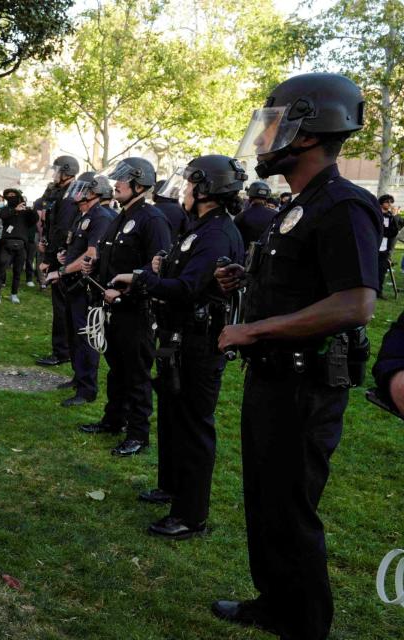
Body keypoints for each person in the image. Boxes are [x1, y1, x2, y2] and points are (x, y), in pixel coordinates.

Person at [213, 72, 380, 639]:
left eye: (275, 127)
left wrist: (256, 330)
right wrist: (246, 278)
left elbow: (356, 304)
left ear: (308, 133)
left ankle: (305, 624)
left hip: (307, 387)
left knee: (291, 508)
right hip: (273, 379)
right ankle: (274, 603)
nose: (264, 140)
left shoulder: (343, 205)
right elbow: (302, 281)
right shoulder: (299, 205)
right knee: (265, 501)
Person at [114, 156, 246, 539]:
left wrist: (139, 280)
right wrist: (158, 268)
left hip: (200, 344)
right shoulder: (198, 228)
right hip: (177, 340)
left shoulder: (217, 233)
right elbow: (184, 274)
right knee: (172, 418)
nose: (185, 191)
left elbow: (189, 290)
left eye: (190, 185)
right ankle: (171, 487)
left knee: (192, 426)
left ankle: (191, 514)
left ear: (205, 189)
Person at [79, 157, 170, 456]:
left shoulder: (152, 219)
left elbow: (156, 267)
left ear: (139, 185)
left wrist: (124, 294)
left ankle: (138, 434)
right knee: (116, 369)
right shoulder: (120, 215)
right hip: (113, 310)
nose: (115, 183)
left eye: (122, 179)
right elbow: (112, 257)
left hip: (136, 312)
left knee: (137, 374)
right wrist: (94, 268)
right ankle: (113, 420)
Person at [44, 173, 115, 406]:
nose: (78, 193)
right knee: (74, 334)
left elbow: (91, 254)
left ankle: (87, 390)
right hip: (73, 286)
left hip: (85, 287)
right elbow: (77, 246)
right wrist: (64, 256)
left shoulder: (101, 217)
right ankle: (78, 377)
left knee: (86, 338)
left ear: (95, 193)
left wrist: (62, 271)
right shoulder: (82, 215)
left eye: (84, 189)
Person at [37, 155, 80, 366]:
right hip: (59, 253)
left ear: (66, 172)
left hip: (61, 257)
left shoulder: (69, 196)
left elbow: (62, 230)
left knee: (61, 306)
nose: (54, 174)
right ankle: (65, 349)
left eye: (57, 170)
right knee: (62, 305)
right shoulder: (62, 193)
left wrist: (49, 258)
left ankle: (62, 351)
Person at [0, 188, 37, 303]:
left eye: (13, 195)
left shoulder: (26, 210)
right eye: (8, 195)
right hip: (7, 243)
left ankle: (14, 294)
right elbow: (3, 215)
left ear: (18, 196)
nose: (10, 196)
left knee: (17, 271)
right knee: (1, 269)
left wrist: (32, 210)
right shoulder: (6, 209)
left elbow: (34, 221)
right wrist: (15, 210)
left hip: (21, 244)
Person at [235, 181, 277, 246]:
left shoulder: (241, 216)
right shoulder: (276, 215)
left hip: (246, 254)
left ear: (249, 197)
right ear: (266, 197)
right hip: (267, 254)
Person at [378, 194, 399, 297]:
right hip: (375, 245)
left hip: (385, 247)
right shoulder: (377, 214)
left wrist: (395, 216)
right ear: (382, 203)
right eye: (387, 202)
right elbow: (380, 230)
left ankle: (379, 291)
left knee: (382, 270)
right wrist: (386, 231)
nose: (389, 204)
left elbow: (394, 231)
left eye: (391, 202)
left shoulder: (391, 216)